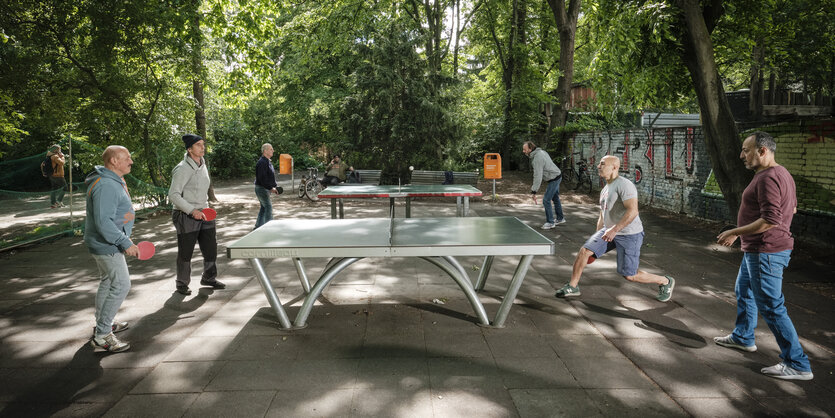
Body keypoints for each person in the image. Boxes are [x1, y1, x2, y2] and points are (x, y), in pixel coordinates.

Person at [714, 131, 813, 381]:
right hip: (759, 250)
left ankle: (797, 363)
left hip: (766, 251)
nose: (741, 155)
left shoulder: (768, 178)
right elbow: (792, 207)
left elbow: (771, 219)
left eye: (746, 150)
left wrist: (734, 232)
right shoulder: (781, 174)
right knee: (744, 291)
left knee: (771, 306)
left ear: (762, 151)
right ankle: (743, 337)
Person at [554, 155, 675, 302]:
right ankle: (573, 286)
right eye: (599, 163)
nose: (598, 166)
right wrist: (597, 235)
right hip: (609, 230)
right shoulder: (606, 188)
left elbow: (633, 211)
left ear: (615, 167)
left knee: (630, 275)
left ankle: (665, 281)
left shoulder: (624, 185)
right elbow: (603, 212)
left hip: (630, 234)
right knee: (585, 251)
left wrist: (615, 230)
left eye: (603, 164)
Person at [85, 145, 137, 353]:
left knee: (107, 281)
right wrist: (125, 242)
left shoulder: (113, 180)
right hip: (107, 244)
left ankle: (103, 324)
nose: (131, 161)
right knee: (122, 285)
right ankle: (103, 335)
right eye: (127, 158)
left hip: (107, 241)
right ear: (114, 161)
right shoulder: (106, 184)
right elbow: (103, 222)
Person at [168, 134, 225, 296]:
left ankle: (209, 278)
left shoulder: (202, 164)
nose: (202, 147)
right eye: (198, 145)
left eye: (203, 144)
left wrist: (204, 209)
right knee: (186, 251)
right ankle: (182, 283)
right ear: (189, 149)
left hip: (204, 213)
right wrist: (192, 211)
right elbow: (173, 195)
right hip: (185, 215)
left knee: (211, 248)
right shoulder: (182, 168)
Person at [522, 141, 565, 229]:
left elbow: (538, 175)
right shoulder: (541, 152)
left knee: (546, 200)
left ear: (530, 149)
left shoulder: (537, 158)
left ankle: (550, 222)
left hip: (554, 178)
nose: (523, 151)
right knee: (555, 198)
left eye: (525, 149)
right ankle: (560, 218)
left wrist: (534, 191)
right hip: (557, 175)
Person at [254, 143, 281, 229]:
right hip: (262, 189)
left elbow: (269, 177)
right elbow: (262, 179)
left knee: (264, 208)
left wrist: (275, 187)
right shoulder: (262, 162)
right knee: (268, 207)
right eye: (271, 149)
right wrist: (270, 188)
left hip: (264, 188)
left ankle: (258, 227)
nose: (273, 150)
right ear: (265, 151)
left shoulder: (267, 161)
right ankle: (269, 228)